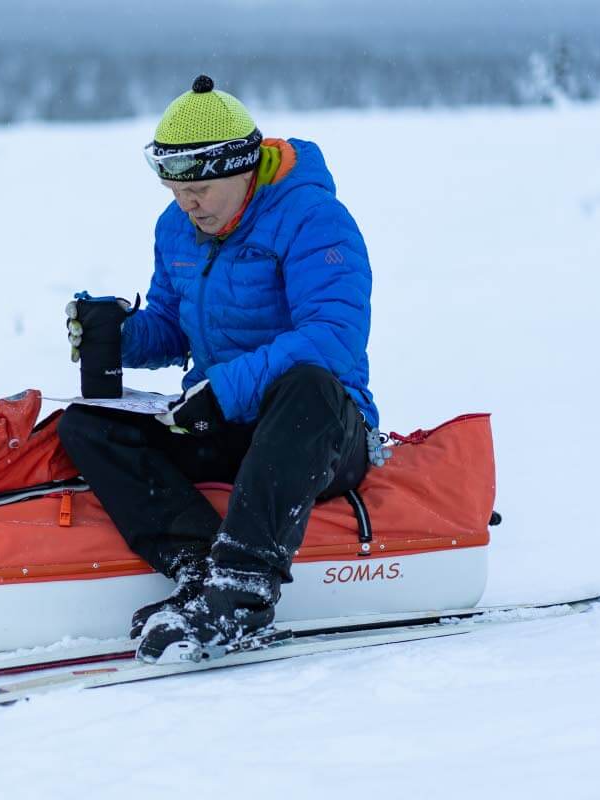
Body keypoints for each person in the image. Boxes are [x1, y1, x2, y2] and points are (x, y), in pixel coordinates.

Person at [58, 75, 379, 663]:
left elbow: (331, 340)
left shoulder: (315, 220)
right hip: (223, 420)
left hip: (319, 434)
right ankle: (199, 567)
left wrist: (223, 389)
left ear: (245, 168)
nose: (188, 204)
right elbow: (172, 324)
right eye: (175, 188)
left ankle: (241, 589)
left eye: (201, 188)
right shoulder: (175, 226)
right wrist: (119, 334)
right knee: (85, 424)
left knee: (310, 384)